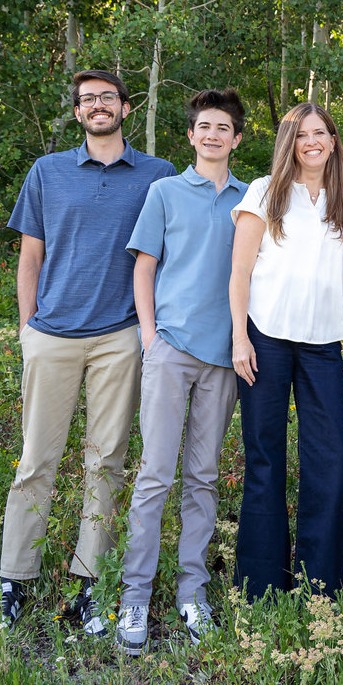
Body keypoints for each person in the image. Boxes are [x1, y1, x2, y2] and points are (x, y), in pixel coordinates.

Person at [0, 70, 177, 634]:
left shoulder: (158, 175)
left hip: (120, 337)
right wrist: (27, 329)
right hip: (52, 335)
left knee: (106, 462)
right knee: (35, 461)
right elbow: (30, 256)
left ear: (126, 108)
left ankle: (90, 585)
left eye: (107, 97)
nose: (97, 106)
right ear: (77, 112)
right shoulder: (48, 171)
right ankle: (13, 583)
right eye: (87, 99)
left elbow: (178, 246)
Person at [228, 102, 343, 601]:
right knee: (265, 459)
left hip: (322, 346)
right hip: (265, 337)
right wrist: (239, 337)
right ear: (289, 143)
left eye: (320, 133)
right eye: (301, 134)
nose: (311, 142)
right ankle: (260, 589)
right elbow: (239, 272)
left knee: (330, 462)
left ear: (334, 142)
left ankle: (320, 588)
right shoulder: (265, 192)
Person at [112, 89, 248, 655]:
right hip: (170, 348)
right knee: (154, 475)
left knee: (203, 477)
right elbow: (145, 268)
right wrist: (150, 337)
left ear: (236, 139)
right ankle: (134, 596)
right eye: (204, 127)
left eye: (224, 128)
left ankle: (193, 594)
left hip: (224, 356)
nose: (213, 135)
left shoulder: (251, 198)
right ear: (191, 136)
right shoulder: (164, 192)